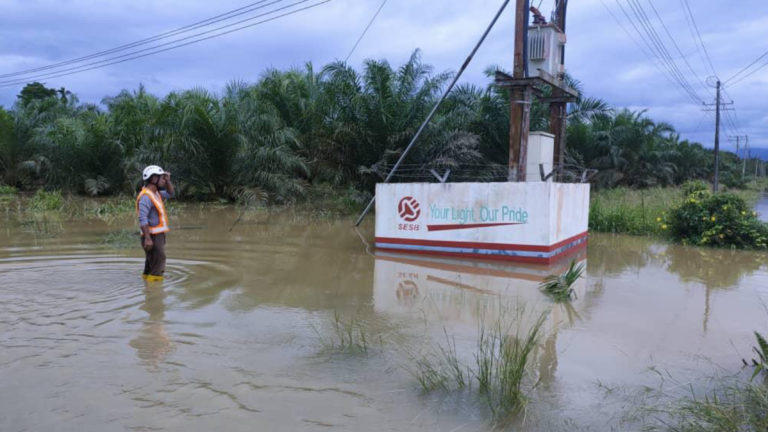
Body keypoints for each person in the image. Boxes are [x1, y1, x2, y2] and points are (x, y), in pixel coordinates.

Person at [136, 165, 174, 281]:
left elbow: (171, 193)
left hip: (156, 236)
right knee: (158, 263)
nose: (163, 180)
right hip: (152, 236)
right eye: (161, 178)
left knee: (151, 263)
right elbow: (143, 218)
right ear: (153, 179)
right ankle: (155, 293)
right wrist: (148, 238)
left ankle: (147, 287)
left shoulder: (156, 193)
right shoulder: (146, 197)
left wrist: (168, 181)